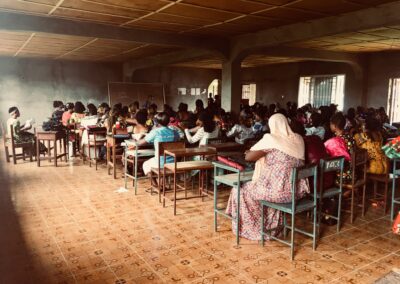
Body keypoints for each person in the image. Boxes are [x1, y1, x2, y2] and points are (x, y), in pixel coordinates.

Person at [226, 113, 309, 240]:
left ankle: (253, 229)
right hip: (297, 191)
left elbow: (248, 157)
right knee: (259, 188)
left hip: (278, 193)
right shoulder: (298, 139)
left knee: (239, 190)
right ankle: (271, 227)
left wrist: (250, 152)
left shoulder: (271, 139)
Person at [324, 112, 355, 184]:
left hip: (343, 176)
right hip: (353, 173)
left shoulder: (335, 141)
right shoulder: (350, 136)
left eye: (330, 124)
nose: (330, 126)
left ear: (334, 126)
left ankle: (341, 190)